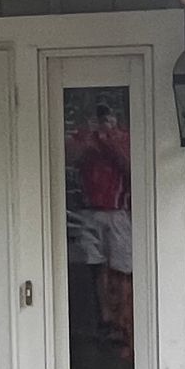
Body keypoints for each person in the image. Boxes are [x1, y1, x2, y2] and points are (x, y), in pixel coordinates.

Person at [65, 97, 134, 353]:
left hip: (117, 212)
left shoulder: (123, 138)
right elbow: (70, 157)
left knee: (122, 269)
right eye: (99, 118)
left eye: (108, 117)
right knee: (97, 268)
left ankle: (124, 321)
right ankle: (104, 319)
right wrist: (91, 139)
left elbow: (130, 167)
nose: (104, 123)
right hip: (89, 211)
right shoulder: (84, 138)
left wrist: (109, 142)